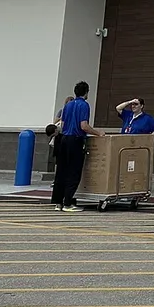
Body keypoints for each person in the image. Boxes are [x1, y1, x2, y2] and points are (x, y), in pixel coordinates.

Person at [50, 81, 102, 211]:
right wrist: (98, 133)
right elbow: (83, 126)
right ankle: (68, 203)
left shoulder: (68, 105)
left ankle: (58, 202)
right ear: (86, 92)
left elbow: (62, 124)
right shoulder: (84, 105)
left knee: (62, 171)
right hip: (76, 139)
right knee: (74, 171)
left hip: (64, 139)